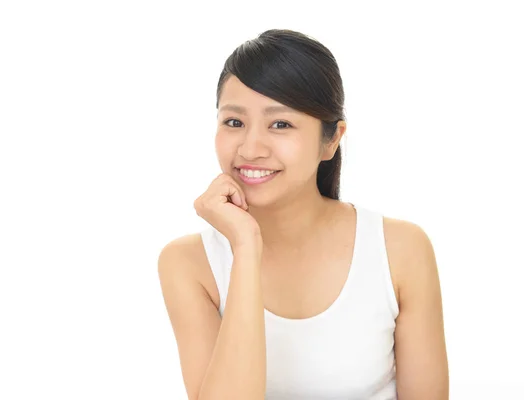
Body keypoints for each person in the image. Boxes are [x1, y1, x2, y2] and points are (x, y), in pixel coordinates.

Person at [158, 29, 449, 400]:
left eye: (281, 124)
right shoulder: (188, 264)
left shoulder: (400, 249)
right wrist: (246, 248)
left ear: (331, 140)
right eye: (234, 122)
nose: (251, 147)